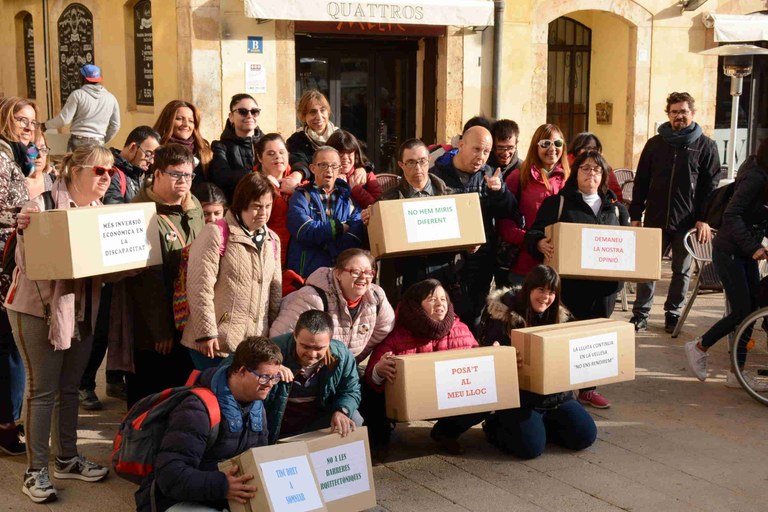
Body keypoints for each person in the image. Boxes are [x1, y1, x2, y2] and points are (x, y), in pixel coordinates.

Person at [6, 143, 114, 503]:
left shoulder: (99, 211)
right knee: (43, 391)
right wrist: (26, 229)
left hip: (81, 309)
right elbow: (27, 260)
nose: (106, 177)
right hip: (38, 310)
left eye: (111, 171)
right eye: (99, 170)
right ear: (77, 170)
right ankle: (35, 470)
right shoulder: (42, 206)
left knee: (70, 388)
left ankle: (66, 458)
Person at [525, 150, 630, 409]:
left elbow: (628, 246)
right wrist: (539, 242)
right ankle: (558, 387)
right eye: (585, 168)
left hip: (604, 288)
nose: (591, 174)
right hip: (568, 285)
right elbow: (534, 232)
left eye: (596, 169)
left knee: (595, 339)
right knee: (565, 335)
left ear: (604, 175)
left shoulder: (617, 210)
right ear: (576, 173)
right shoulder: (558, 203)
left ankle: (588, 389)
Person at [135, 336, 282, 512]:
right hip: (172, 501)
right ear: (241, 371)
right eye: (265, 377)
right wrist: (223, 486)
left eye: (275, 378)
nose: (270, 385)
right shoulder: (196, 410)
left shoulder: (257, 406)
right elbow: (170, 475)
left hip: (222, 499)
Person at [480, 265, 597, 459]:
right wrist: (499, 354)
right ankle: (496, 425)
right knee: (529, 449)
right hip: (520, 398)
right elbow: (488, 351)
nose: (545, 297)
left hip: (556, 396)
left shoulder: (561, 317)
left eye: (551, 292)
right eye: (540, 290)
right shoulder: (501, 315)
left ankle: (539, 427)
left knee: (584, 436)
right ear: (529, 289)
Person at [628, 92, 721, 333]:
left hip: (687, 221)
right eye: (674, 112)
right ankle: (641, 313)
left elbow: (710, 187)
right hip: (655, 219)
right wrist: (636, 215)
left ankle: (672, 312)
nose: (679, 116)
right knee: (647, 268)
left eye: (683, 112)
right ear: (668, 114)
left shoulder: (706, 146)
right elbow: (641, 182)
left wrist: (704, 219)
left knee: (682, 270)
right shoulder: (655, 144)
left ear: (693, 113)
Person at [362, 279, 482, 457]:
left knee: (484, 395)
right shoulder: (396, 332)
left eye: (443, 298)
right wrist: (379, 370)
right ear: (415, 305)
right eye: (432, 299)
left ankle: (446, 433)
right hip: (407, 400)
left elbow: (477, 366)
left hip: (448, 398)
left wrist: (491, 359)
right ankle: (380, 440)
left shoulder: (461, 329)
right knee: (370, 393)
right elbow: (372, 376)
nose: (440, 304)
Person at [125, 144, 205, 407]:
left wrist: (190, 211)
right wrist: (160, 331)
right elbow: (146, 281)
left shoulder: (193, 207)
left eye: (188, 175)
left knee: (179, 397)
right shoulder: (140, 213)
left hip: (187, 321)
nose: (184, 181)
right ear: (157, 174)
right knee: (150, 400)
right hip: (154, 330)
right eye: (176, 175)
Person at [684, 140, 768, 391]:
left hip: (745, 251)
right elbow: (732, 215)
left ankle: (736, 372)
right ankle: (699, 346)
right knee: (742, 310)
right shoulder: (756, 177)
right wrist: (753, 247)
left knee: (752, 309)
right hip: (730, 251)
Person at [182, 173, 282, 370]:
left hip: (253, 347)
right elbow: (199, 286)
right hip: (215, 345)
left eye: (268, 206)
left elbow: (274, 292)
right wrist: (206, 333)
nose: (263, 212)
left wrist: (272, 335)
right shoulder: (216, 233)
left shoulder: (273, 240)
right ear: (241, 204)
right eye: (256, 206)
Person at [431, 125, 516, 332]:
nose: (481, 156)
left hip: (481, 260)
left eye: (486, 152)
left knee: (475, 316)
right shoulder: (437, 175)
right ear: (461, 145)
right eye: (476, 149)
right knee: (444, 316)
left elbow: (511, 213)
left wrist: (500, 192)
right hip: (446, 262)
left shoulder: (490, 175)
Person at [362, 138, 456, 303]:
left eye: (422, 161)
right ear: (401, 165)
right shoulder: (387, 201)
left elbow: (463, 239)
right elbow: (374, 244)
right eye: (411, 162)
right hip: (403, 277)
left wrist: (472, 247)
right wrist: (368, 223)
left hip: (441, 273)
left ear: (429, 161)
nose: (418, 168)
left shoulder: (450, 197)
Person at [270, 248, 394, 361]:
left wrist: (349, 362)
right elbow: (279, 341)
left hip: (337, 372)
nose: (363, 277)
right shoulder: (313, 297)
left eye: (368, 272)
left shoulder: (377, 297)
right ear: (338, 273)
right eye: (355, 272)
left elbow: (384, 329)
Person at [266, 310, 362, 442]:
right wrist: (269, 367)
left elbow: (351, 390)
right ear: (295, 336)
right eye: (305, 346)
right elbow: (233, 363)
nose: (311, 354)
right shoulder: (274, 349)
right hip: (279, 418)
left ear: (330, 341)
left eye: (319, 348)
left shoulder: (342, 355)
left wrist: (341, 410)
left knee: (353, 419)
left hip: (318, 416)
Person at [0, 96, 35, 456]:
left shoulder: (19, 156)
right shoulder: (1, 156)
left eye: (32, 121)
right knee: (8, 347)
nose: (28, 126)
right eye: (20, 120)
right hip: (3, 262)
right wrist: (23, 212)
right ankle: (7, 426)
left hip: (13, 258)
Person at [498, 124, 569, 287]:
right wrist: (534, 242)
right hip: (524, 265)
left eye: (557, 143)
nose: (552, 149)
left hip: (559, 266)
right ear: (535, 146)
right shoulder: (519, 177)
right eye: (545, 143)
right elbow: (505, 223)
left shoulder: (569, 179)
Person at [285, 146, 363, 279]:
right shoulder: (301, 196)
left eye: (334, 166)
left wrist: (324, 239)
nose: (329, 170)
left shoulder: (349, 200)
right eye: (323, 165)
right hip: (306, 273)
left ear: (339, 170)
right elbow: (304, 230)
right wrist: (338, 228)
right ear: (312, 168)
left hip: (340, 273)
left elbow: (355, 236)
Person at [42, 64, 120, 150]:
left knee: (76, 164)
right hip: (98, 142)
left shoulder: (77, 95)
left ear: (83, 77)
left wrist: (45, 126)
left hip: (78, 141)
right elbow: (115, 125)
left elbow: (64, 119)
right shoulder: (111, 98)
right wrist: (102, 140)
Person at [255, 133, 303, 267]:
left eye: (282, 152)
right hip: (268, 255)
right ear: (259, 157)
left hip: (298, 256)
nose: (278, 157)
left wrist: (296, 190)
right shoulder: (253, 185)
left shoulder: (299, 182)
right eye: (271, 153)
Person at [209, 93, 266, 202]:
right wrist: (259, 176)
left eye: (254, 112)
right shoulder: (220, 147)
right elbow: (221, 176)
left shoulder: (268, 144)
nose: (249, 116)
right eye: (243, 112)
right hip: (236, 206)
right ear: (231, 117)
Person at [153, 100, 213, 184]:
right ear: (167, 121)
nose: (186, 124)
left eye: (191, 121)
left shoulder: (203, 150)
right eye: (179, 119)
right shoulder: (156, 149)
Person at [286, 90, 339, 178]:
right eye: (313, 112)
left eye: (322, 110)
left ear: (328, 112)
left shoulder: (340, 136)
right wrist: (300, 173)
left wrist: (362, 168)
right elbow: (298, 162)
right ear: (303, 116)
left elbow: (355, 157)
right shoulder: (296, 140)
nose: (319, 117)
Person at [104, 125, 161, 204]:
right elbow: (114, 211)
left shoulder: (142, 175)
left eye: (154, 157)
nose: (151, 162)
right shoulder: (110, 173)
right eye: (148, 155)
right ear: (132, 147)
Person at [327, 130, 382, 209]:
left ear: (356, 154)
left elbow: (379, 206)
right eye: (340, 153)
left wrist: (356, 190)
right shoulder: (323, 175)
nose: (345, 158)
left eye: (349, 153)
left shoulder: (366, 175)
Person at [568, 132, 622, 202]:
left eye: (595, 149)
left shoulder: (606, 169)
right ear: (577, 150)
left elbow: (616, 195)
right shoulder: (566, 167)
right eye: (588, 148)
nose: (591, 151)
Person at [26, 131, 55, 199]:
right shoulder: (13, 183)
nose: (40, 155)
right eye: (33, 149)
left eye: (43, 149)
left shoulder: (54, 182)